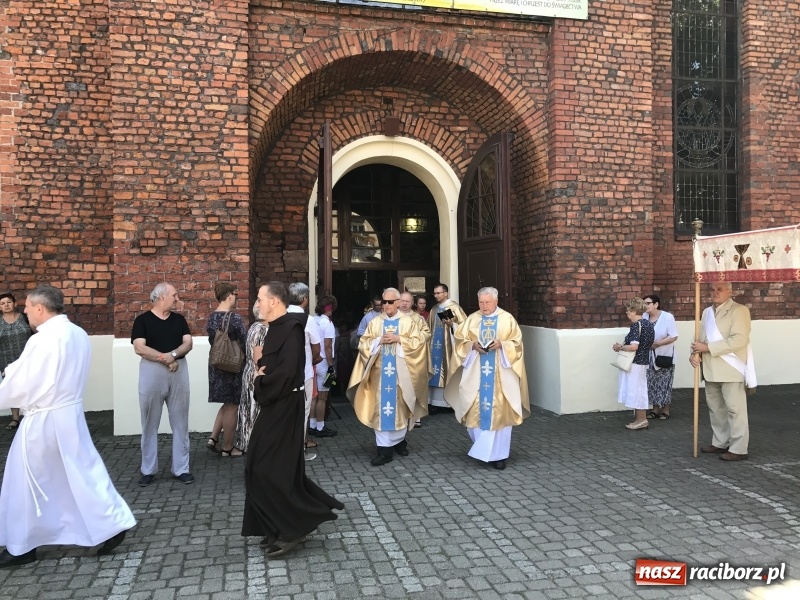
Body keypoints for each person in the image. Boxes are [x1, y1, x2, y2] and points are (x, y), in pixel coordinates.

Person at [0, 285, 135, 568]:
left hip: (44, 418)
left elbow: (23, 380)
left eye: (26, 306)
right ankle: (111, 522)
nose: (24, 311)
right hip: (70, 413)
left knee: (24, 480)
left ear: (40, 308)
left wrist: (7, 376)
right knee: (81, 471)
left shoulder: (43, 339)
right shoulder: (77, 333)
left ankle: (21, 546)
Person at [242, 282, 344, 558]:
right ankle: (274, 526)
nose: (257, 303)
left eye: (261, 298)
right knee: (259, 464)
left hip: (285, 405)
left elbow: (287, 373)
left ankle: (290, 529)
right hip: (276, 404)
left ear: (274, 302)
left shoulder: (290, 329)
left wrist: (260, 379)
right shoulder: (277, 328)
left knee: (271, 467)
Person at [444, 287, 530, 470]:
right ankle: (482, 448)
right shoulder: (472, 319)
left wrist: (502, 344)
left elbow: (517, 344)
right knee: (474, 408)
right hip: (476, 375)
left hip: (501, 376)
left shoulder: (507, 319)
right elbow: (460, 341)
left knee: (500, 412)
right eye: (481, 302)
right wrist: (471, 345)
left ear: (496, 301)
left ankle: (499, 456)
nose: (484, 306)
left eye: (488, 302)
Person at [347, 288, 428, 466]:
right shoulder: (375, 322)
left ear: (398, 302)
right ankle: (384, 451)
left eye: (390, 302)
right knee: (382, 411)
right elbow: (363, 343)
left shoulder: (409, 322)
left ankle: (399, 441)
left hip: (401, 375)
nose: (386, 305)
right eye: (384, 302)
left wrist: (400, 339)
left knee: (400, 410)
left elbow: (420, 343)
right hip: (380, 376)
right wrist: (378, 341)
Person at [131, 282, 194, 486]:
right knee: (149, 422)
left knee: (181, 422)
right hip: (152, 372)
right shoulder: (142, 321)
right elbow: (139, 348)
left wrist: (173, 356)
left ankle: (181, 468)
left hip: (178, 370)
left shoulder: (179, 320)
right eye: (174, 295)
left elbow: (188, 343)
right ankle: (148, 470)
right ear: (161, 297)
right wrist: (165, 358)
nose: (177, 298)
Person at [690, 282, 755, 462]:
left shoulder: (739, 310)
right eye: (712, 289)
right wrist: (695, 353)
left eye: (719, 289)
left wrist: (708, 347)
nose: (715, 293)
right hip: (710, 368)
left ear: (729, 291)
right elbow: (699, 338)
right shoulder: (706, 312)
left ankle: (739, 448)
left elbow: (739, 339)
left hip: (731, 368)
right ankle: (720, 441)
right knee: (716, 409)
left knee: (735, 410)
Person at [206, 283, 247, 457]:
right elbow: (246, 343)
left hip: (217, 364)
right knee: (232, 405)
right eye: (235, 294)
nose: (236, 297)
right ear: (229, 295)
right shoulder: (235, 319)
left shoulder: (211, 318)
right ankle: (228, 448)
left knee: (226, 402)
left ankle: (213, 438)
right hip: (233, 366)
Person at [287, 282, 322, 460]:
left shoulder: (280, 316)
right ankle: (299, 451)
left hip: (284, 373)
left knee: (286, 412)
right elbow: (317, 350)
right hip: (304, 373)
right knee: (303, 412)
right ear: (304, 299)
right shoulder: (308, 320)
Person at [613, 297, 656, 430]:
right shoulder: (648, 324)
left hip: (635, 362)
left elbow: (633, 347)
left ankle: (641, 420)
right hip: (643, 361)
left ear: (633, 311)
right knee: (640, 390)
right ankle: (640, 419)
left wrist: (620, 347)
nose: (627, 313)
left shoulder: (636, 326)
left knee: (636, 390)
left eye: (628, 310)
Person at [234, 301, 268, 454]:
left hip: (251, 373)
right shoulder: (260, 329)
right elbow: (258, 359)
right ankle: (253, 449)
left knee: (250, 412)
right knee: (254, 414)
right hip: (256, 376)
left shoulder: (255, 327)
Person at [427, 283, 466, 414]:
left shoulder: (454, 308)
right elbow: (428, 328)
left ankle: (447, 403)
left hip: (448, 347)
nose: (436, 295)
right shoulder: (434, 309)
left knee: (447, 370)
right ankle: (433, 402)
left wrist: (452, 324)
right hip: (434, 348)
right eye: (435, 293)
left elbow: (465, 327)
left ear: (446, 293)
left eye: (438, 293)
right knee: (434, 371)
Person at [643, 294, 678, 420]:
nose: (645, 306)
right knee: (652, 383)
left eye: (648, 303)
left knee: (664, 383)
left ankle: (666, 409)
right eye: (644, 303)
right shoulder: (644, 317)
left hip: (664, 355)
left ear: (656, 304)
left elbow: (673, 336)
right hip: (649, 357)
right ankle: (655, 409)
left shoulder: (667, 317)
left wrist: (658, 344)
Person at [0, 292, 32, 431]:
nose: (6, 305)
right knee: (13, 390)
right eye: (2, 303)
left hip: (27, 359)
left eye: (8, 302)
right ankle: (15, 418)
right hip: (6, 360)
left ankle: (31, 416)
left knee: (30, 388)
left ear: (14, 303)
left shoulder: (25, 318)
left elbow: (35, 334)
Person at [399, 291, 432, 427]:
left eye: (408, 301)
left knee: (414, 385)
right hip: (399, 357)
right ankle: (400, 414)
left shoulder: (418, 318)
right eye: (402, 301)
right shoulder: (393, 318)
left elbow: (427, 333)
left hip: (416, 357)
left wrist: (415, 339)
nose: (405, 303)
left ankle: (415, 416)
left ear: (412, 303)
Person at [310, 295, 338, 438]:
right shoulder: (328, 324)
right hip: (323, 363)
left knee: (313, 396)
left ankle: (312, 424)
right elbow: (327, 347)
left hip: (312, 362)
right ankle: (321, 427)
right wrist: (331, 365)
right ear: (331, 308)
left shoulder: (313, 320)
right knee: (322, 397)